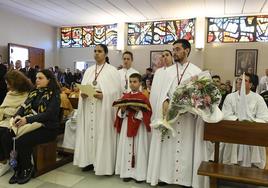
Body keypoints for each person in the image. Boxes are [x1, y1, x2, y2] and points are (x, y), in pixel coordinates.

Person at [147, 39, 206, 187]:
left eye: (177, 49)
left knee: (186, 147)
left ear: (186, 51)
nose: (174, 52)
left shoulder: (196, 71)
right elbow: (161, 92)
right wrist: (165, 100)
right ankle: (165, 176)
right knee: (168, 147)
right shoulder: (168, 71)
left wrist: (191, 105)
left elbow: (201, 96)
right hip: (170, 117)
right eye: (173, 49)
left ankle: (185, 179)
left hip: (188, 119)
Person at [2, 69, 61, 184]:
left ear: (49, 80)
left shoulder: (54, 93)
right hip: (34, 124)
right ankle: (17, 168)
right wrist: (17, 116)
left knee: (22, 141)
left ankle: (27, 168)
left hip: (48, 128)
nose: (37, 80)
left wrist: (27, 119)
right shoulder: (35, 91)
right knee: (7, 136)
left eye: (40, 78)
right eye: (36, 78)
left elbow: (48, 114)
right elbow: (24, 106)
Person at [73, 44, 122, 175]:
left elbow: (118, 92)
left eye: (99, 51)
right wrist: (82, 95)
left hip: (103, 110)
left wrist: (104, 95)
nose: (96, 53)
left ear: (105, 54)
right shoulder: (89, 71)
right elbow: (84, 87)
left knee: (102, 134)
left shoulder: (112, 71)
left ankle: (103, 165)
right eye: (95, 51)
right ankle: (89, 161)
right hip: (89, 107)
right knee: (89, 134)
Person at [222, 73, 268, 169]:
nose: (240, 82)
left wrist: (250, 122)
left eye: (244, 80)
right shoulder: (230, 97)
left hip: (252, 132)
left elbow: (264, 117)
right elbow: (225, 114)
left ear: (251, 85)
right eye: (239, 79)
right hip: (233, 131)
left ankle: (253, 169)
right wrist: (238, 120)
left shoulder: (258, 98)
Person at [114, 73, 152, 183]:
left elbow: (149, 113)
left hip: (139, 127)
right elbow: (119, 114)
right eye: (130, 81)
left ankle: (138, 175)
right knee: (126, 148)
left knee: (139, 149)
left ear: (140, 83)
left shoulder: (143, 97)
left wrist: (138, 111)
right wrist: (122, 109)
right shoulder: (125, 96)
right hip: (127, 124)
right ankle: (127, 173)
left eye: (135, 81)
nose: (132, 84)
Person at [0, 70, 33, 176]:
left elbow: (21, 111)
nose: (7, 86)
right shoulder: (9, 94)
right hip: (5, 120)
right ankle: (2, 160)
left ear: (15, 82)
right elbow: (2, 109)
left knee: (5, 133)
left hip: (19, 121)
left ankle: (6, 161)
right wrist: (9, 110)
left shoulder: (28, 93)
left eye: (8, 83)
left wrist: (8, 110)